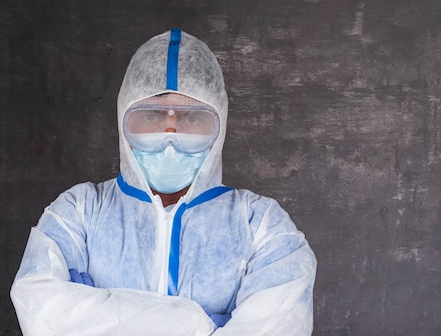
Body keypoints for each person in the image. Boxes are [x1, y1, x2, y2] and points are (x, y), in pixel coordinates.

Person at [10, 29, 317, 336]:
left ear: (218, 126)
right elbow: (41, 311)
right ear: (124, 120)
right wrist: (204, 323)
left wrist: (99, 316)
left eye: (192, 118)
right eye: (153, 115)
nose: (170, 135)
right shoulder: (76, 214)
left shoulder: (263, 227)